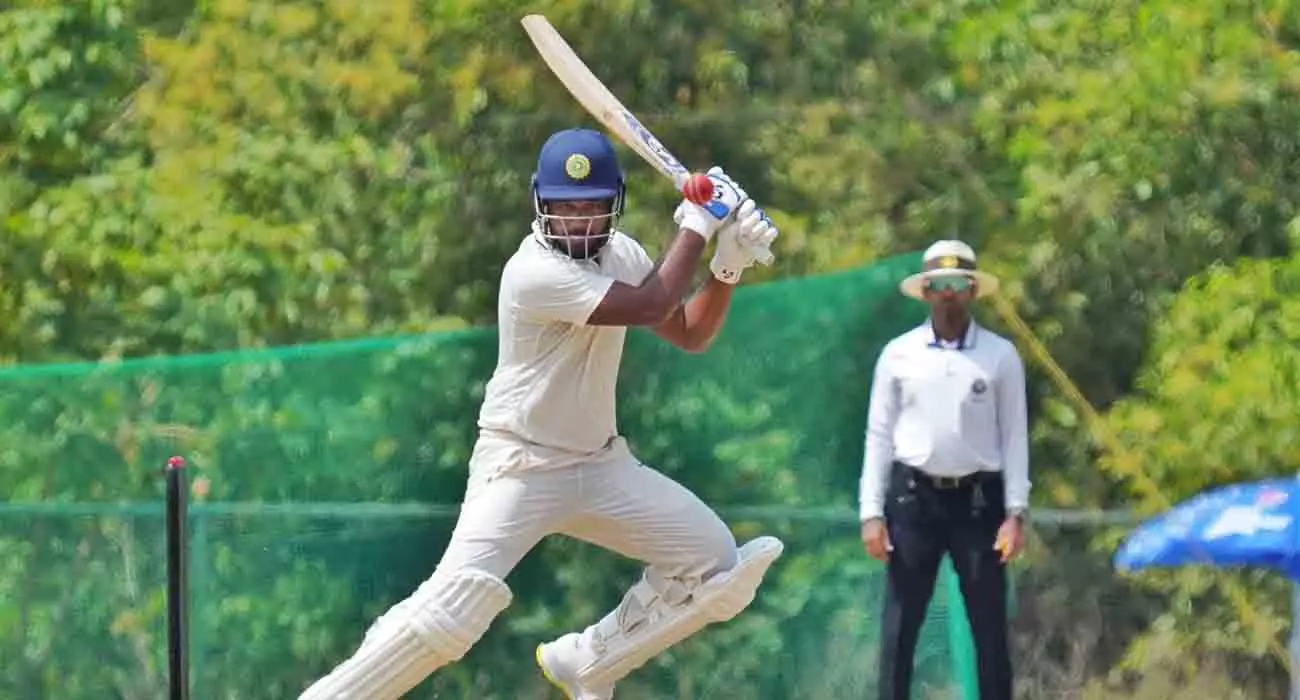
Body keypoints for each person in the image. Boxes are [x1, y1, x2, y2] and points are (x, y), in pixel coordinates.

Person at [298, 127, 784, 700]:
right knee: (452, 611)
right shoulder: (533, 273)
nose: (577, 220)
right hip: (519, 467)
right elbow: (652, 303)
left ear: (613, 205)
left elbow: (689, 332)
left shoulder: (623, 255)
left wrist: (727, 266)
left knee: (715, 564)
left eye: (591, 206)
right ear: (540, 203)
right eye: (565, 206)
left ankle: (587, 660)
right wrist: (699, 222)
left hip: (600, 466)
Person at [858, 240, 1030, 700]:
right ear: (925, 292)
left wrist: (1016, 512)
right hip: (913, 500)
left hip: (980, 504)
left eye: (957, 284)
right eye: (939, 285)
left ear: (972, 290)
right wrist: (871, 513)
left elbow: (1015, 436)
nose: (948, 294)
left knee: (989, 628)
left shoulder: (999, 356)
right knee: (900, 625)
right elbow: (879, 435)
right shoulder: (899, 354)